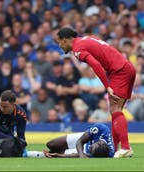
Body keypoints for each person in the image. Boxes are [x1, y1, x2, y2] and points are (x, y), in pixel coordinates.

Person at [56, 27, 136, 158]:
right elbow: (102, 47)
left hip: (119, 71)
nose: (59, 45)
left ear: (64, 40)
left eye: (59, 42)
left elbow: (96, 65)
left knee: (115, 109)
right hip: (126, 67)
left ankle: (126, 147)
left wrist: (107, 86)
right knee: (115, 110)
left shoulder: (77, 50)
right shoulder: (87, 38)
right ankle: (116, 149)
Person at [0, 90, 27, 157]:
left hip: (8, 136)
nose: (2, 109)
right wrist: (13, 140)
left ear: (13, 105)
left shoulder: (21, 114)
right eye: (1, 105)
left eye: (5, 107)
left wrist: (23, 147)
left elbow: (21, 135)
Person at [42, 123, 115, 158]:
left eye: (91, 150)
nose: (90, 148)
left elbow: (86, 154)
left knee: (53, 152)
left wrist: (59, 155)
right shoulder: (102, 129)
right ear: (99, 142)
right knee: (50, 144)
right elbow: (80, 141)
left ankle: (37, 154)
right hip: (84, 139)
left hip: (84, 151)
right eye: (92, 147)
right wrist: (81, 154)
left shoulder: (105, 154)